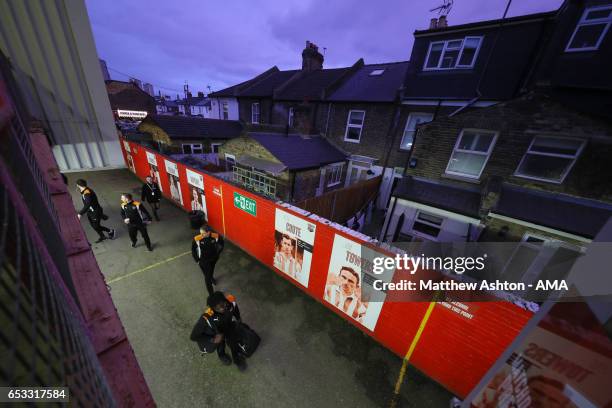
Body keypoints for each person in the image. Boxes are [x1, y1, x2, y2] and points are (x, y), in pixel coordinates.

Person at [190, 291, 246, 371]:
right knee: (220, 344)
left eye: (222, 305)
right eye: (217, 308)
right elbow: (193, 336)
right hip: (217, 333)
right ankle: (222, 355)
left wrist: (239, 320)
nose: (222, 309)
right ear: (212, 308)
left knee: (233, 342)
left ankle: (237, 360)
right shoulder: (206, 316)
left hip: (229, 327)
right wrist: (213, 339)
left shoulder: (230, 302)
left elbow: (236, 311)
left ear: (225, 300)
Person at [76, 179, 115, 243]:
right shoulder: (85, 190)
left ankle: (110, 231)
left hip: (95, 212)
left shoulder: (87, 193)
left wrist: (80, 214)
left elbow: (87, 204)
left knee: (96, 226)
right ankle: (102, 236)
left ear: (78, 185)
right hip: (90, 211)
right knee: (93, 225)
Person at [192, 225, 224, 295]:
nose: (201, 235)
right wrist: (197, 260)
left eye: (203, 233)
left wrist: (218, 253)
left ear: (208, 232)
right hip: (203, 261)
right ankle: (211, 294)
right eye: (200, 233)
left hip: (213, 259)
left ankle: (211, 277)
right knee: (207, 278)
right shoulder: (197, 239)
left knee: (211, 270)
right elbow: (193, 250)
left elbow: (222, 243)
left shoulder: (215, 236)